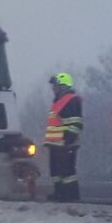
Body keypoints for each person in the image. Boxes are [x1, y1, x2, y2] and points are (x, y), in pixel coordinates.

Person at [43, 73, 83, 201]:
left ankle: (70, 195)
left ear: (62, 86)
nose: (53, 89)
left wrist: (69, 140)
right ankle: (60, 193)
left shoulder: (70, 100)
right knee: (56, 172)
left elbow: (75, 122)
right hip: (56, 144)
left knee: (67, 172)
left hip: (65, 144)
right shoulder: (59, 102)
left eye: (55, 86)